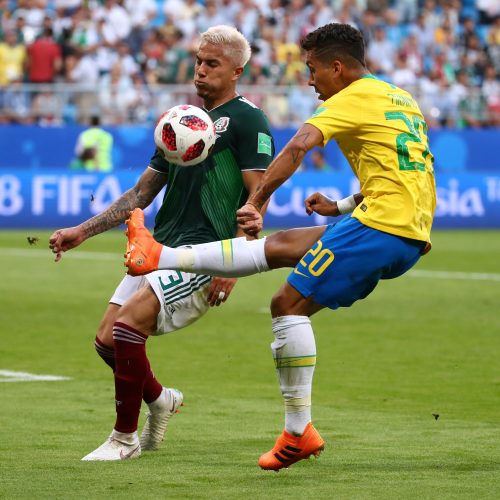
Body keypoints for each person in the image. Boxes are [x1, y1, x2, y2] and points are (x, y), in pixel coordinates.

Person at [123, 23, 436, 471]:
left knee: (286, 303)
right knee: (284, 247)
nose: (310, 81)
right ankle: (160, 256)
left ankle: (297, 433)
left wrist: (255, 199)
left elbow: (297, 146)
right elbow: (406, 169)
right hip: (404, 227)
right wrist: (341, 204)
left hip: (383, 227)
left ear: (337, 66)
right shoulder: (400, 97)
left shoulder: (348, 98)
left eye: (312, 70)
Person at [49, 25, 276, 461]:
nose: (201, 71)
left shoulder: (249, 119)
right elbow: (141, 194)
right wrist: (82, 230)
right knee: (106, 342)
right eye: (198, 61)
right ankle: (161, 399)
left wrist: (237, 263)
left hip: (205, 254)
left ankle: (124, 439)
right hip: (160, 248)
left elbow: (258, 196)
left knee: (127, 326)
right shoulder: (184, 121)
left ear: (237, 71)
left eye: (213, 64)